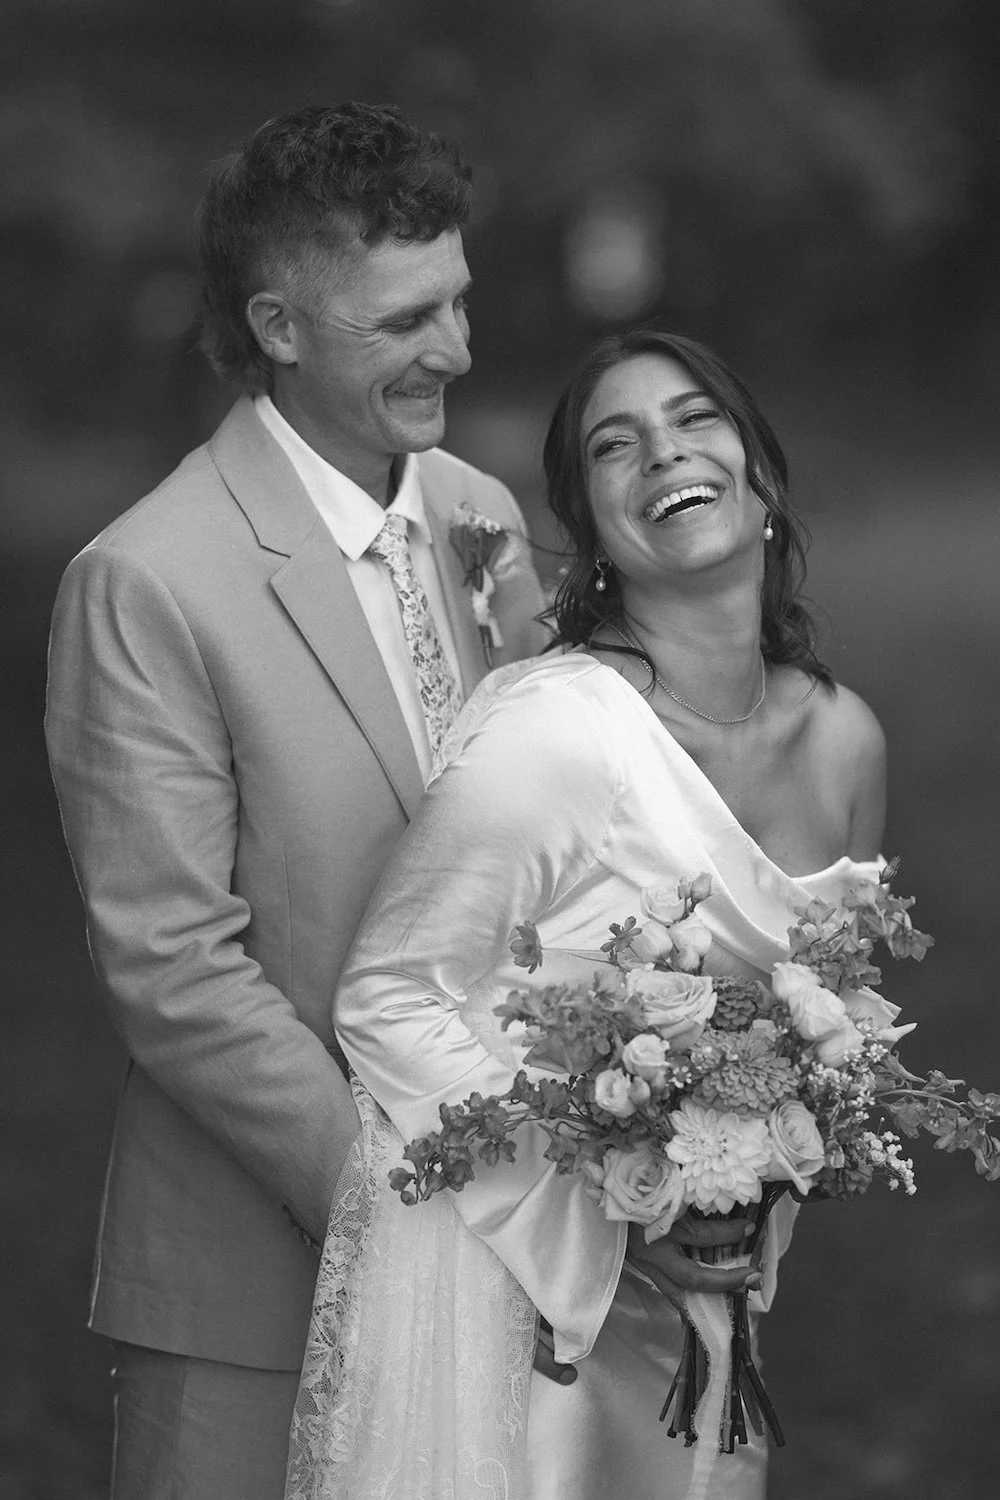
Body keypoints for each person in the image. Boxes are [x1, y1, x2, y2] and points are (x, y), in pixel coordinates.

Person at [287, 329, 887, 1499]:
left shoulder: (846, 738)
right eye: (615, 445)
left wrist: (750, 1183)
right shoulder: (555, 732)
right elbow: (388, 992)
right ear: (595, 535)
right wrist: (610, 1205)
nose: (663, 450)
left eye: (694, 418)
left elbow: (839, 1019)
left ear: (760, 472)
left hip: (715, 1306)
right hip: (533, 1307)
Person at [44, 103, 546, 1500]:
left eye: (457, 301)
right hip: (264, 1290)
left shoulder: (477, 511)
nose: (455, 349)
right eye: (403, 322)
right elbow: (173, 971)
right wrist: (426, 1214)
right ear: (277, 325)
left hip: (528, 1279)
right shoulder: (147, 581)